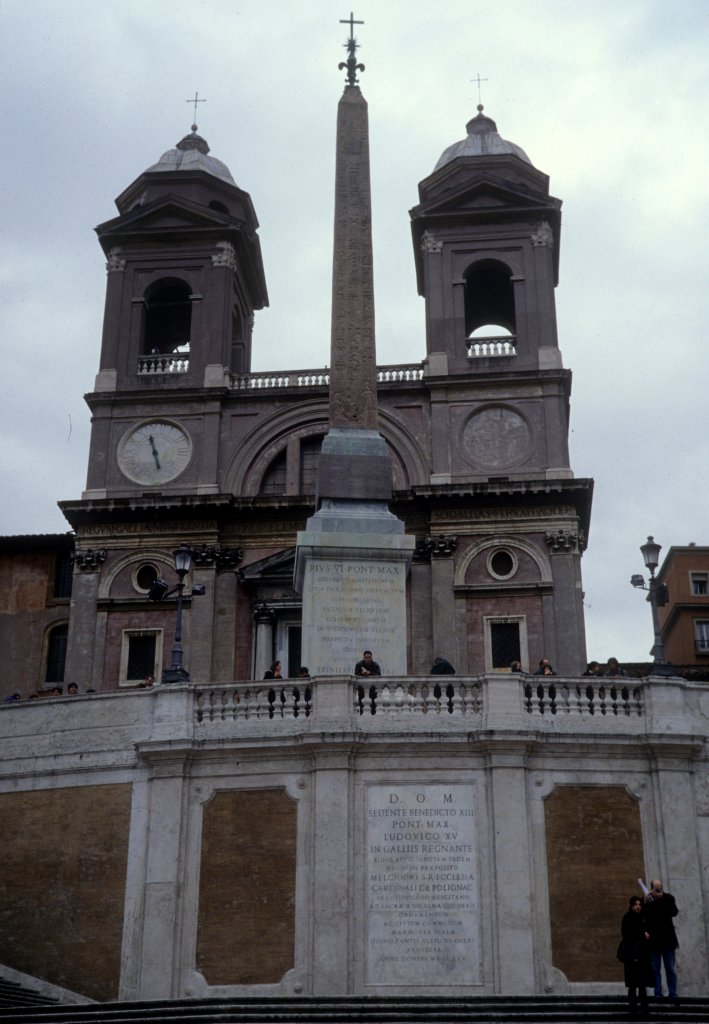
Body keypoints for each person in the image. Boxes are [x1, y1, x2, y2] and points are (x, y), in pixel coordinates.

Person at [644, 879, 679, 1002]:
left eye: (661, 888)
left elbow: (674, 912)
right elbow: (645, 917)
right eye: (656, 889)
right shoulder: (649, 901)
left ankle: (672, 992)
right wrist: (647, 902)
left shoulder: (669, 898)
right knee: (655, 969)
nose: (659, 891)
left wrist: (661, 899)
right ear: (652, 889)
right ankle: (657, 992)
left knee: (670, 968)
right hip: (654, 941)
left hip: (668, 940)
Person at [620, 894, 652, 1018]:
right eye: (635, 904)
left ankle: (644, 1008)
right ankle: (633, 1008)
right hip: (631, 955)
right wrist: (642, 935)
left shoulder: (643, 917)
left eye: (639, 904)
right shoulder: (627, 917)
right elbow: (626, 934)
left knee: (642, 984)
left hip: (642, 954)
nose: (638, 907)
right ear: (631, 906)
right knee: (633, 984)